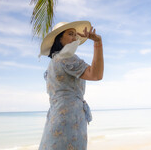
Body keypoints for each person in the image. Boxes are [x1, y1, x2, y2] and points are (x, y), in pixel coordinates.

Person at [38, 21, 104, 150]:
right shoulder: (66, 57)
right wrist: (98, 43)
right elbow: (96, 75)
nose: (75, 38)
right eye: (70, 34)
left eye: (75, 34)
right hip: (70, 119)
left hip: (55, 116)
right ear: (59, 39)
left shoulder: (54, 61)